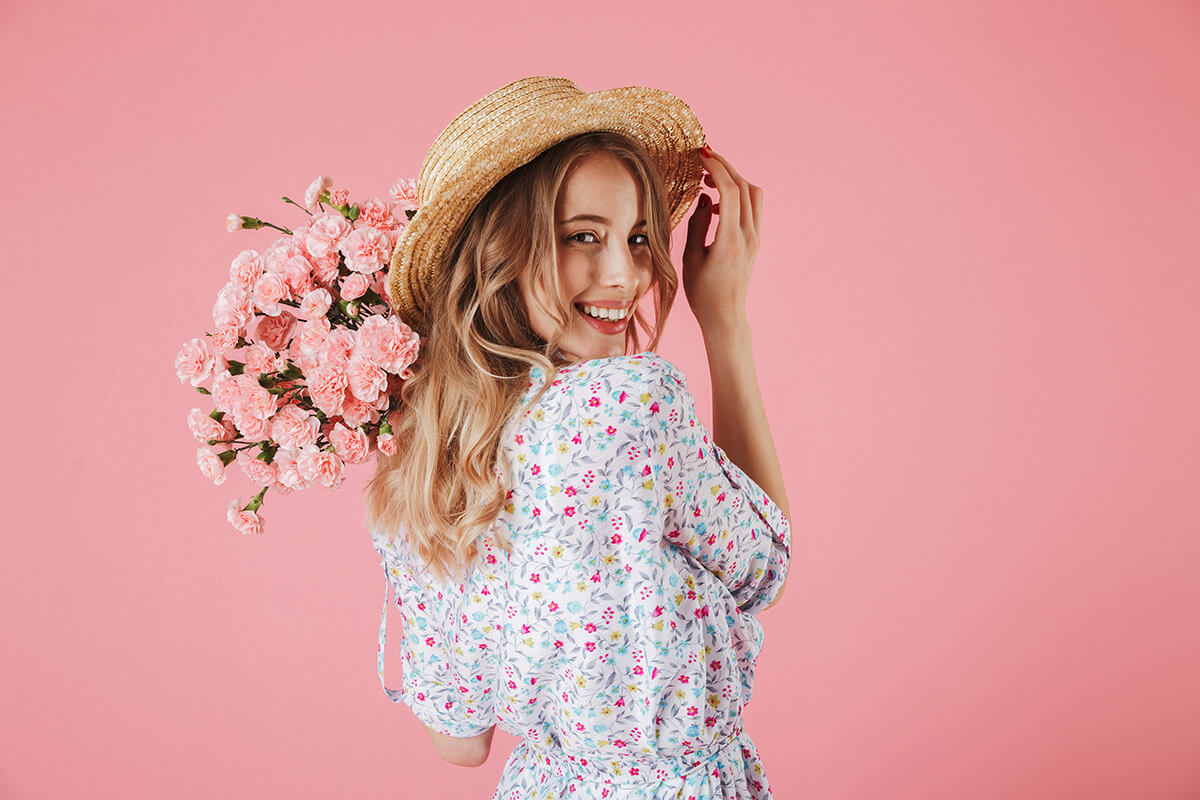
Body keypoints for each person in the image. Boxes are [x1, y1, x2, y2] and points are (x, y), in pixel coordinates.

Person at [364, 76, 793, 799]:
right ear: (501, 249)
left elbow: (461, 743)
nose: (625, 274)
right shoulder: (632, 404)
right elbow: (765, 566)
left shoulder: (430, 458)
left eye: (635, 237)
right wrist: (725, 323)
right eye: (582, 238)